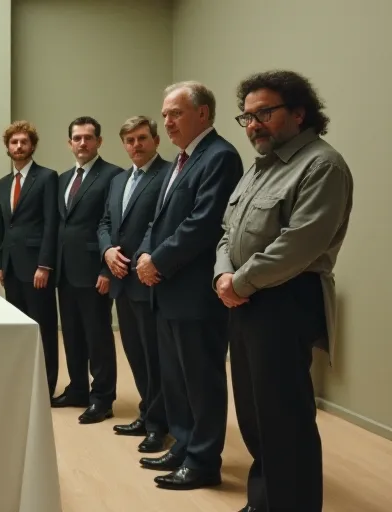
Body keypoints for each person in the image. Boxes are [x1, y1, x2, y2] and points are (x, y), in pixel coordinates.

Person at [215, 70, 353, 512]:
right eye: (248, 116)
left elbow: (299, 244)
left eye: (264, 113)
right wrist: (223, 275)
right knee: (255, 418)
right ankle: (263, 502)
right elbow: (226, 231)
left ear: (298, 113)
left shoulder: (321, 164)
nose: (254, 124)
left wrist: (237, 282)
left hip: (287, 302)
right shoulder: (260, 168)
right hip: (245, 301)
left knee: (285, 420)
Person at [134, 81, 243, 490]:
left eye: (175, 113)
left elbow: (202, 224)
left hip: (195, 292)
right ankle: (183, 443)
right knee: (176, 378)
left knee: (201, 379)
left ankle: (203, 462)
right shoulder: (180, 160)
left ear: (202, 114)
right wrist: (146, 256)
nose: (167, 121)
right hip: (166, 289)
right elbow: (156, 220)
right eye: (164, 114)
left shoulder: (220, 157)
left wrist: (156, 262)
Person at [96, 116, 170, 453]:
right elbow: (106, 223)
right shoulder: (118, 180)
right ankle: (146, 412)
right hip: (121, 280)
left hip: (147, 278)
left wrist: (141, 256)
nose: (135, 146)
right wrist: (108, 251)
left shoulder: (167, 175)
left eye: (142, 138)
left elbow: (160, 224)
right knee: (135, 354)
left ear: (155, 139)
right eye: (129, 140)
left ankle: (159, 424)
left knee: (155, 356)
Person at [52, 116, 124, 425]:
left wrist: (106, 270)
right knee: (71, 334)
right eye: (77, 138)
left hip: (95, 270)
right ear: (69, 143)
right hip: (65, 271)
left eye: (88, 137)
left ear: (99, 141)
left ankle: (102, 397)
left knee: (98, 335)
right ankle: (78, 388)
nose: (83, 143)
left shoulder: (113, 176)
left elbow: (114, 224)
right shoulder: (64, 178)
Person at [0, 120, 60, 398]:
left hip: (36, 267)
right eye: (14, 142)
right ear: (7, 147)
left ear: (32, 145)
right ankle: (23, 383)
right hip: (11, 267)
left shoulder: (47, 177)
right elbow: (1, 225)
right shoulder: (3, 183)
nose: (18, 146)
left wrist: (44, 264)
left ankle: (46, 386)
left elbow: (50, 224)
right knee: (18, 329)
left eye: (23, 142)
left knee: (42, 327)